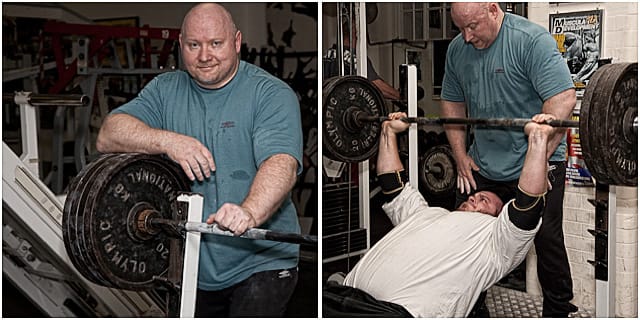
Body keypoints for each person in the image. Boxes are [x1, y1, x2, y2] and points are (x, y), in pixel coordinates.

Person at [96, 3, 303, 317]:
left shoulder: (271, 94)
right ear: (181, 46)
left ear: (236, 42)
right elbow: (108, 134)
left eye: (215, 44)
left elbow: (281, 163)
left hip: (261, 261)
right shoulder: (165, 90)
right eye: (194, 45)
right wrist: (168, 140)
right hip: (191, 263)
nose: (204, 55)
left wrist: (249, 211)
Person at [323, 112, 557, 317]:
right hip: (341, 296)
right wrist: (388, 131)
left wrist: (538, 140)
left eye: (483, 201)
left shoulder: (496, 244)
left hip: (393, 313)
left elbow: (528, 206)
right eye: (474, 196)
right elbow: (391, 184)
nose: (473, 197)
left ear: (499, 218)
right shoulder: (427, 213)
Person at [440, 2, 577, 317]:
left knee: (546, 238)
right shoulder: (457, 51)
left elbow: (562, 98)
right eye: (459, 28)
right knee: (462, 233)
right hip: (483, 162)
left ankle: (558, 311)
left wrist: (540, 157)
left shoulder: (530, 41)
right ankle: (472, 310)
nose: (467, 36)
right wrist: (460, 156)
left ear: (492, 9)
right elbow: (452, 103)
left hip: (537, 159)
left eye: (472, 26)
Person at [324, 18, 401, 100]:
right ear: (356, 35)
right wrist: (400, 96)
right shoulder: (358, 59)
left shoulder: (326, 57)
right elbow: (375, 85)